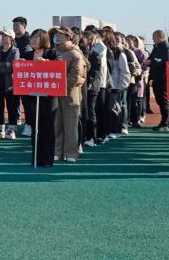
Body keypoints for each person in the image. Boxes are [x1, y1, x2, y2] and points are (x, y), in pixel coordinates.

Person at [51, 26, 86, 162]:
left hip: (71, 93)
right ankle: (57, 151)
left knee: (70, 125)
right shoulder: (54, 52)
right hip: (56, 93)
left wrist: (61, 85)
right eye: (56, 35)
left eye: (60, 35)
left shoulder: (75, 53)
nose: (57, 37)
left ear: (68, 37)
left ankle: (71, 153)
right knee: (57, 123)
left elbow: (76, 76)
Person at [23, 29, 58, 167]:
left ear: (43, 39)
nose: (33, 40)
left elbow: (58, 69)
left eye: (36, 38)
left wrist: (44, 62)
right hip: (32, 96)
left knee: (48, 127)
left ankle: (47, 159)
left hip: (49, 97)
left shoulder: (52, 53)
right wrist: (20, 64)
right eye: (32, 38)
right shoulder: (27, 55)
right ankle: (36, 158)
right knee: (35, 127)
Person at [82, 27, 108, 145]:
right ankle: (88, 136)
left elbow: (97, 70)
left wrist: (90, 82)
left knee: (91, 111)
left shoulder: (97, 51)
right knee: (87, 111)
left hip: (93, 86)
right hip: (87, 85)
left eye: (85, 39)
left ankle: (92, 137)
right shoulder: (86, 51)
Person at [0, 30, 19, 140]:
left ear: (11, 38)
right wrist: (3, 66)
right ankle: (2, 130)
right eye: (3, 35)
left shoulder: (15, 51)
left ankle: (12, 130)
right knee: (0, 107)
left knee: (11, 107)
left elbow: (13, 66)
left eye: (6, 35)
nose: (3, 37)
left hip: (10, 84)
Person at [104, 30, 130, 139]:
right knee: (108, 109)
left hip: (116, 86)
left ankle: (117, 129)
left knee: (116, 109)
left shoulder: (120, 54)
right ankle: (109, 130)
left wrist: (120, 87)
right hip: (106, 86)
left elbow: (125, 72)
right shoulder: (104, 52)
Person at [148, 30, 169, 131]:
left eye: (154, 37)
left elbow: (167, 62)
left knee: (163, 101)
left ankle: (165, 123)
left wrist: (152, 62)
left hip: (163, 79)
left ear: (160, 37)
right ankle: (165, 122)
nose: (152, 39)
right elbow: (151, 58)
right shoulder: (156, 47)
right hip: (156, 78)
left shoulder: (167, 48)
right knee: (159, 100)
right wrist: (149, 61)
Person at [12, 17, 33, 136]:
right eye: (14, 25)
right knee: (13, 102)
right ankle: (14, 125)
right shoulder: (13, 40)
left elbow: (29, 56)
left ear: (24, 26)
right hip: (14, 75)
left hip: (26, 76)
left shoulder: (29, 40)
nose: (15, 28)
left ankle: (29, 125)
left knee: (27, 102)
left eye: (17, 25)